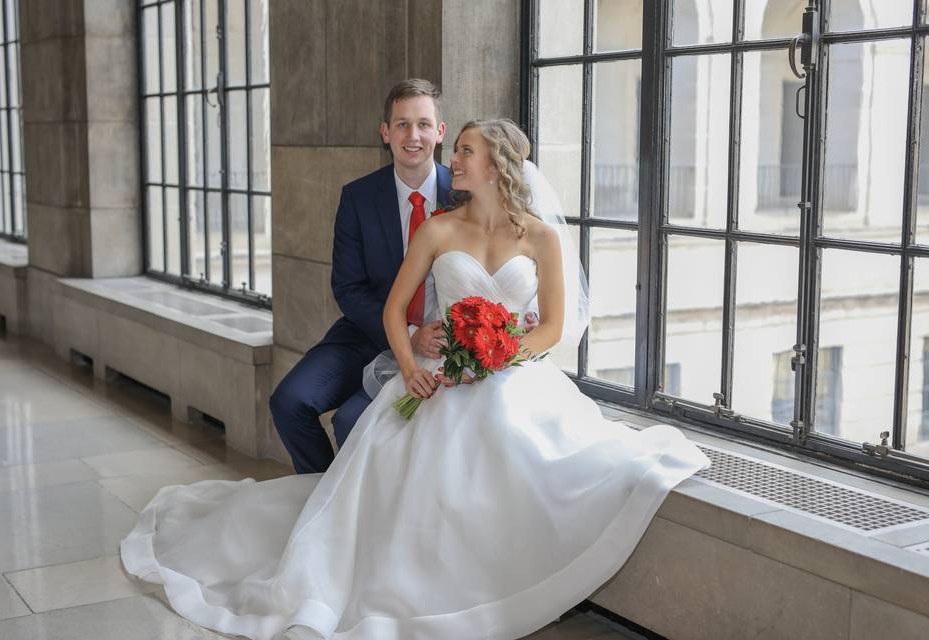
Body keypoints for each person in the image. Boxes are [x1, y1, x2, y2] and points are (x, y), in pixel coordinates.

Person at [121, 119, 710, 640]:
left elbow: (553, 327)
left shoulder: (542, 237)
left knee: (533, 445)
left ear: (497, 164)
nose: (453, 159)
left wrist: (500, 354)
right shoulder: (438, 231)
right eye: (455, 149)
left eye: (465, 150)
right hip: (436, 376)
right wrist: (410, 368)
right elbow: (392, 310)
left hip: (511, 374)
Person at [269, 79, 452, 474]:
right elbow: (348, 288)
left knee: (350, 419)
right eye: (401, 124)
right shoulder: (358, 197)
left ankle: (357, 510)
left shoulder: (464, 196)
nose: (412, 135)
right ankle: (320, 499)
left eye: (423, 124)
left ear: (440, 131)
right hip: (367, 333)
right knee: (289, 402)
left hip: (441, 344)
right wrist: (404, 330)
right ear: (385, 133)